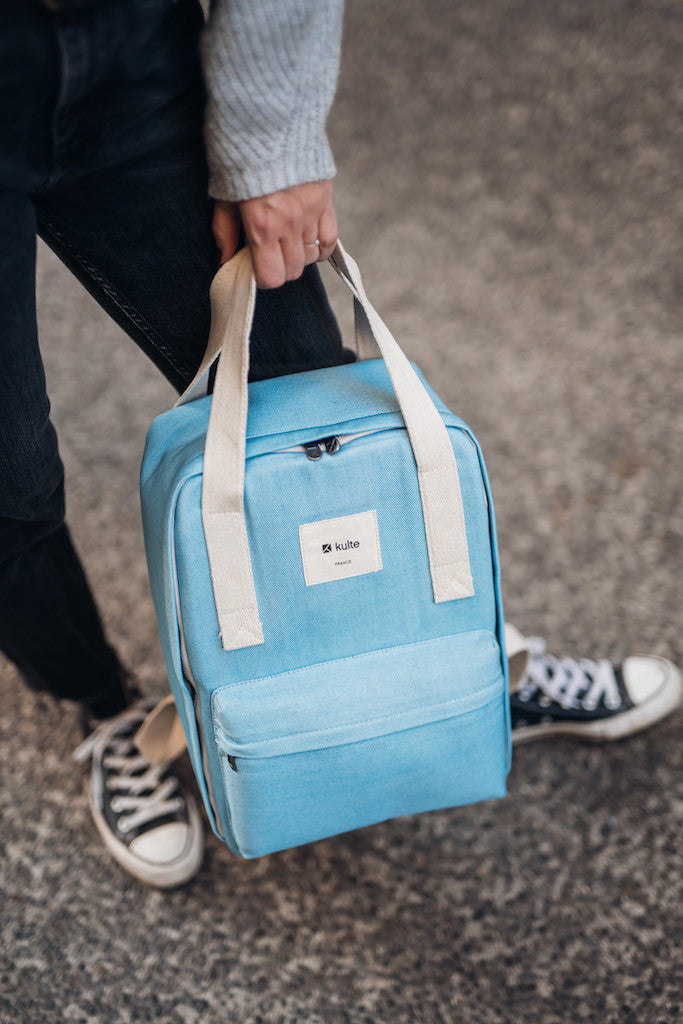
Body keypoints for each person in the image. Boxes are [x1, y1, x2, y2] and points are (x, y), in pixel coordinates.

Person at [1, 0, 679, 889]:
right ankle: (107, 712)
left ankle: (460, 661)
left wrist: (274, 137)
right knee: (9, 486)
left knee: (309, 400)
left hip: (126, 40)